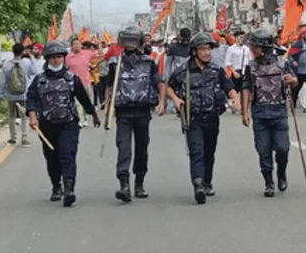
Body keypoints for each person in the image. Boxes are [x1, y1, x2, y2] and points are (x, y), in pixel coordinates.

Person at [26, 41, 101, 207]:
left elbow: (84, 98)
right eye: (52, 57)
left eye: (59, 57)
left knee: (67, 155)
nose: (56, 60)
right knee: (52, 158)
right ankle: (56, 186)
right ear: (47, 59)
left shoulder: (72, 79)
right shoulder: (39, 80)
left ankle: (69, 189)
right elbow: (31, 100)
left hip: (68, 123)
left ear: (63, 58)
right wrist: (32, 117)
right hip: (46, 125)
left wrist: (94, 114)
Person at [166, 32, 238, 204]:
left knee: (209, 152)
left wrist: (235, 99)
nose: (207, 53)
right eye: (203, 49)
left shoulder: (216, 69)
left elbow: (229, 87)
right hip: (193, 119)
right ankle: (198, 184)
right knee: (196, 151)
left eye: (209, 49)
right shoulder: (183, 71)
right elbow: (169, 87)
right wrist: (176, 99)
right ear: (194, 51)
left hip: (212, 117)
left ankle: (207, 181)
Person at [105, 27, 165, 202]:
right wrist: (108, 107)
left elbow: (159, 83)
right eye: (127, 41)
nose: (130, 44)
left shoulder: (148, 62)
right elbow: (109, 86)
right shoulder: (115, 63)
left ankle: (139, 183)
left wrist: (161, 102)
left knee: (141, 148)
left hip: (142, 112)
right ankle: (124, 185)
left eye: (133, 40)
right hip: (123, 113)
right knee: (123, 148)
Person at [241, 29, 297, 197]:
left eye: (255, 46)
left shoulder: (282, 62)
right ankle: (268, 182)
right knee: (263, 150)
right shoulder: (250, 66)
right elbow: (246, 88)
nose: (252, 48)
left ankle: (281, 173)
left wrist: (292, 81)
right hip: (259, 112)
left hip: (279, 111)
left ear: (263, 47)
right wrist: (245, 112)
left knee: (282, 148)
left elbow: (294, 80)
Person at [0, 43, 32, 146]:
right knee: (24, 117)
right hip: (23, 94)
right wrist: (30, 57)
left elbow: (3, 81)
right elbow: (32, 73)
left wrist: (0, 94)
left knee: (12, 116)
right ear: (22, 52)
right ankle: (24, 138)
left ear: (13, 52)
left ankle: (13, 137)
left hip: (11, 94)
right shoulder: (27, 63)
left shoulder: (7, 64)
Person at [65, 39, 103, 128]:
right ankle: (80, 120)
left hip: (86, 81)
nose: (77, 46)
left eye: (78, 44)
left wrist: (99, 45)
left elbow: (101, 55)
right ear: (71, 46)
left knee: (86, 101)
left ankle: (85, 117)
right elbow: (66, 69)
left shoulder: (87, 53)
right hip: (74, 83)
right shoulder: (68, 57)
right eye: (75, 44)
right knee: (77, 102)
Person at [224, 30, 251, 108]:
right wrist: (234, 72)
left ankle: (244, 106)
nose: (242, 39)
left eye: (243, 37)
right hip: (236, 70)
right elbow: (228, 62)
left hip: (246, 70)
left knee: (245, 89)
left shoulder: (246, 49)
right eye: (240, 37)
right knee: (235, 89)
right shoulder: (231, 49)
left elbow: (250, 60)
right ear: (236, 38)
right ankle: (234, 103)